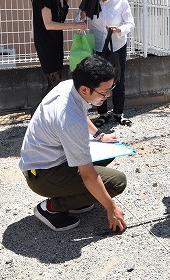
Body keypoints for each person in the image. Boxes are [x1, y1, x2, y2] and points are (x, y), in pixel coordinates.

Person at [18, 55, 127, 232]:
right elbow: (88, 175)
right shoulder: (70, 120)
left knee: (109, 151)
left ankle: (77, 199)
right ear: (85, 89)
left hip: (44, 162)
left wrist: (99, 135)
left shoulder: (69, 86)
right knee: (117, 182)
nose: (108, 95)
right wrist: (111, 208)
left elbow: (81, 114)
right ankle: (51, 207)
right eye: (104, 91)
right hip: (43, 175)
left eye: (110, 88)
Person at [77, 0, 135, 126]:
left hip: (117, 45)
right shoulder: (90, 0)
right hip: (97, 46)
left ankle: (118, 113)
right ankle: (102, 114)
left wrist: (119, 29)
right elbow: (79, 20)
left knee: (119, 79)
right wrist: (80, 18)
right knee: (98, 80)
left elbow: (130, 23)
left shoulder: (121, 1)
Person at [31, 0, 87, 96]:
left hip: (54, 42)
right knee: (54, 82)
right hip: (46, 43)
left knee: (56, 81)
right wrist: (74, 25)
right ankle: (44, 114)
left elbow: (59, 19)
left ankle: (49, 114)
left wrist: (66, 0)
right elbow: (49, 24)